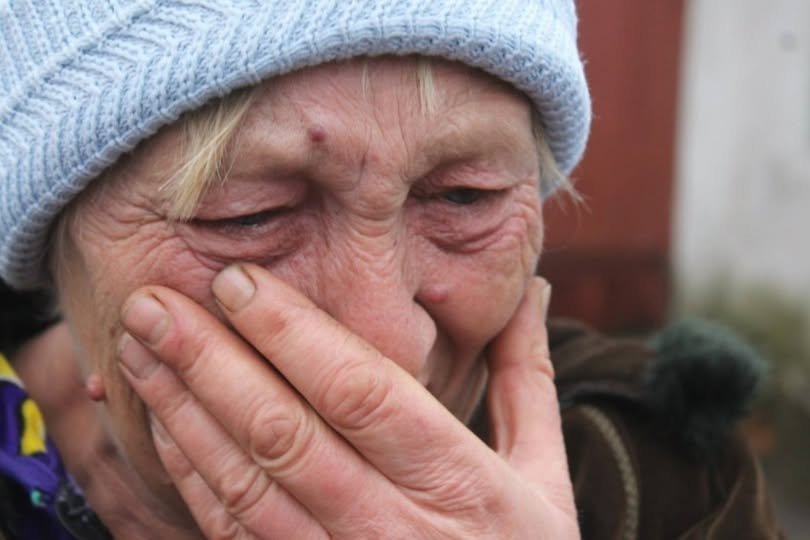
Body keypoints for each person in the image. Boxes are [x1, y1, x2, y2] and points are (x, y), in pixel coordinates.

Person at [0, 1, 783, 539]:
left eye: (466, 197)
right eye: (249, 216)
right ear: (62, 249)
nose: (388, 349)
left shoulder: (668, 479)